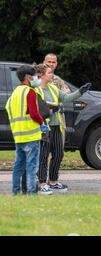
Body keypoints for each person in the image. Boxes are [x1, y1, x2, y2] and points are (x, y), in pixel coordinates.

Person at [34, 64, 91, 194]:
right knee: (43, 156)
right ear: (41, 75)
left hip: (56, 126)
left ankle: (53, 181)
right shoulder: (36, 91)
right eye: (49, 73)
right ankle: (42, 183)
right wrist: (51, 109)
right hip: (44, 127)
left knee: (59, 154)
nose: (51, 75)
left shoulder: (53, 88)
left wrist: (81, 91)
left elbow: (66, 98)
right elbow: (38, 109)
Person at [5, 65, 49, 194]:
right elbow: (34, 113)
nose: (36, 79)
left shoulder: (14, 93)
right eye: (34, 76)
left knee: (18, 166)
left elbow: (8, 109)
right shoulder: (30, 92)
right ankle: (31, 193)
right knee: (31, 166)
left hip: (18, 136)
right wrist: (42, 122)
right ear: (27, 77)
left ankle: (16, 191)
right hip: (31, 135)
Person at [43, 53, 71, 144]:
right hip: (44, 117)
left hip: (58, 118)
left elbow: (67, 93)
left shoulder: (57, 80)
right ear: (44, 62)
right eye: (49, 62)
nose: (51, 64)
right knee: (43, 149)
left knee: (58, 149)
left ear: (56, 64)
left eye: (53, 62)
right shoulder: (38, 77)